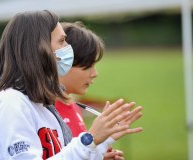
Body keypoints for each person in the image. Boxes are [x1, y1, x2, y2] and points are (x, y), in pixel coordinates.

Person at [0, 10, 143, 160]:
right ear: (37, 48)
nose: (69, 49)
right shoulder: (12, 102)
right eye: (62, 41)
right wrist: (89, 139)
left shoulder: (42, 103)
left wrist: (98, 148)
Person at [55, 22, 143, 160]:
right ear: (62, 61)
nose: (95, 73)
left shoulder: (74, 106)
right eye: (88, 65)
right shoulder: (43, 111)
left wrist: (98, 155)